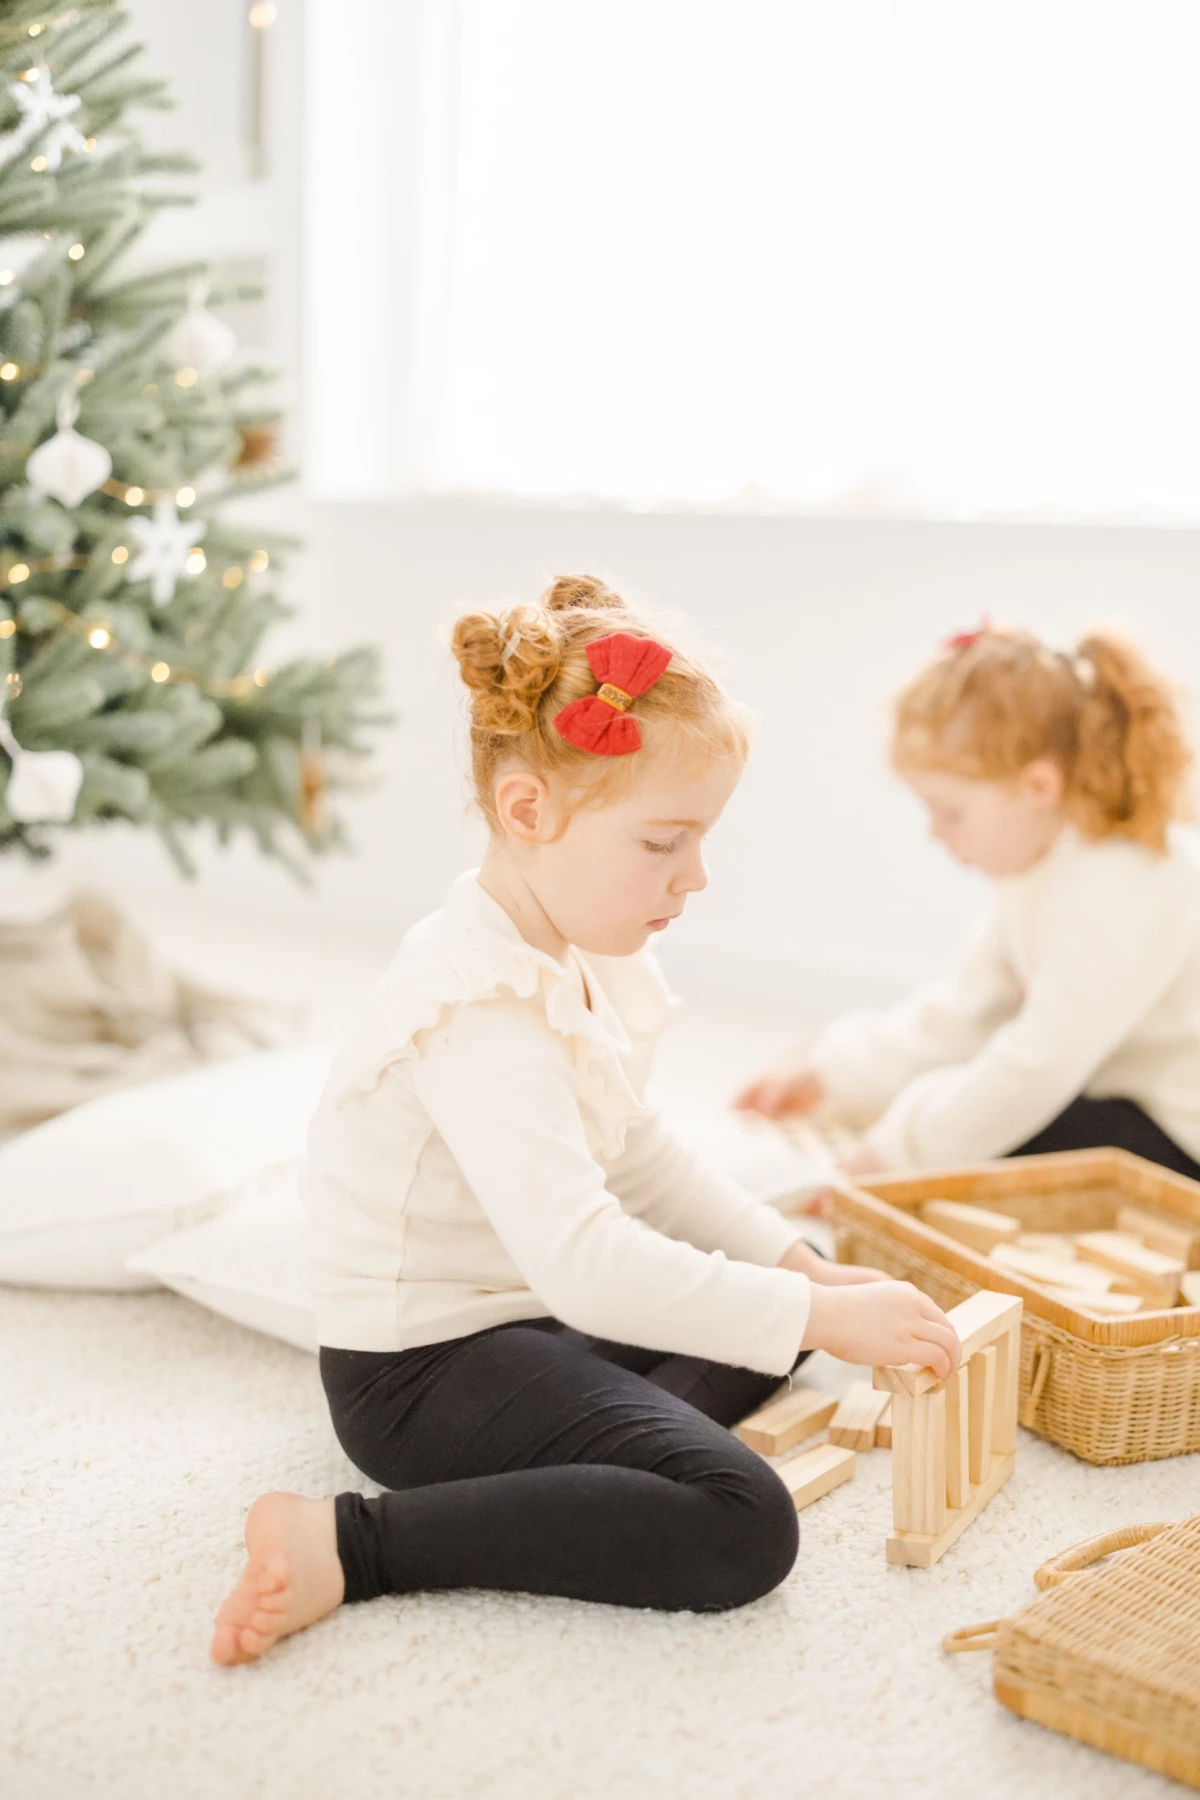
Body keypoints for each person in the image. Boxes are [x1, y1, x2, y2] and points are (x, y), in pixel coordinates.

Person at [211, 575, 958, 1664]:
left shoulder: (574, 948)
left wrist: (808, 1274)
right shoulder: (474, 1005)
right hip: (421, 1374)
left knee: (781, 1306)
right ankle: (352, 1542)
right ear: (529, 812)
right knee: (744, 1521)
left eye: (700, 842)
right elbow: (588, 1266)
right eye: (663, 843)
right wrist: (813, 1313)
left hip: (527, 1321)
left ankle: (610, 1454)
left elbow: (641, 1150)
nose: (694, 877)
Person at [737, 623, 1200, 1183]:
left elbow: (1036, 1066)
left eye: (950, 813)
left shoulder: (1121, 884)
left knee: (1003, 1123)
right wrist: (829, 1069)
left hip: (1180, 1136)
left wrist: (893, 1155)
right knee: (963, 1095)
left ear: (1037, 788)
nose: (935, 833)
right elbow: (965, 1016)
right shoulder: (1038, 867)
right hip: (1121, 1095)